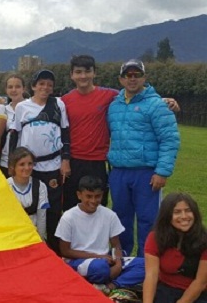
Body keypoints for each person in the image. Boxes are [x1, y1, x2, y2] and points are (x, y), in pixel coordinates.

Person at [61, 55, 180, 212]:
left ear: (94, 73)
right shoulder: (64, 100)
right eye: (78, 72)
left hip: (98, 162)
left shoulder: (109, 96)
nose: (83, 76)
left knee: (97, 209)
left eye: (87, 71)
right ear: (72, 75)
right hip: (74, 162)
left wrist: (164, 101)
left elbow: (135, 96)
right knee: (71, 208)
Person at [107, 59, 180, 257]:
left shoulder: (157, 105)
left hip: (146, 173)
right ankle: (122, 259)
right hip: (119, 172)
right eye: (128, 75)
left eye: (136, 75)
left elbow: (170, 139)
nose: (132, 79)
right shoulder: (114, 105)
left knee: (148, 220)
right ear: (120, 79)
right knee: (120, 218)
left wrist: (162, 172)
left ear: (144, 78)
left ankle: (147, 262)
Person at [135, 193, 207, 303]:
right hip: (166, 289)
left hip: (199, 293)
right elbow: (151, 275)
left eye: (188, 210)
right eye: (177, 212)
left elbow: (201, 282)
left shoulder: (204, 240)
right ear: (167, 216)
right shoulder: (156, 237)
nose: (184, 216)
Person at [12, 69, 70, 253]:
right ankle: (27, 246)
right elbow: (15, 136)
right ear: (33, 86)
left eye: (49, 85)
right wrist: (13, 164)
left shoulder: (58, 104)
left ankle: (53, 250)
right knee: (28, 206)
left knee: (52, 210)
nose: (45, 87)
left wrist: (65, 160)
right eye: (41, 83)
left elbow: (66, 132)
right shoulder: (22, 107)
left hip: (52, 165)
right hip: (29, 167)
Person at [56, 176, 145, 292]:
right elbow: (65, 251)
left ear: (102, 195)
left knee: (146, 265)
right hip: (79, 262)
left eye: (97, 196)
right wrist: (98, 257)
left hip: (106, 260)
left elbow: (116, 245)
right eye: (89, 196)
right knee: (100, 268)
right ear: (79, 195)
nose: (93, 201)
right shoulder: (68, 217)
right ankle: (103, 282)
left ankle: (109, 287)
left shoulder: (109, 215)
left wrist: (117, 263)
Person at [6, 147, 48, 240]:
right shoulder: (6, 186)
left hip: (32, 235)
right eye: (22, 164)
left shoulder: (40, 186)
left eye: (30, 164)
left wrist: (41, 240)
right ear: (13, 166)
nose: (27, 168)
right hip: (12, 235)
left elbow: (42, 216)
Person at [0, 74, 26, 177]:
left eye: (17, 86)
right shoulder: (3, 110)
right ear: (6, 90)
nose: (14, 90)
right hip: (6, 160)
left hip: (25, 160)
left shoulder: (31, 108)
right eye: (10, 87)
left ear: (24, 88)